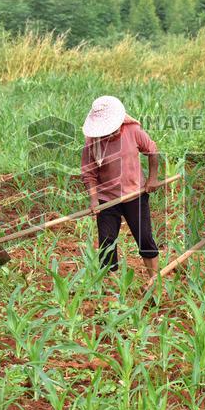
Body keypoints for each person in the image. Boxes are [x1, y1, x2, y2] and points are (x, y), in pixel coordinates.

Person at [81, 95, 161, 277]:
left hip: (135, 194)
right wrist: (94, 200)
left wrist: (153, 178)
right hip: (106, 200)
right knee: (107, 242)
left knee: (144, 237)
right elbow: (89, 174)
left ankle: (154, 280)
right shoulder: (92, 141)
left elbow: (152, 150)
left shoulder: (132, 130)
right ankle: (112, 289)